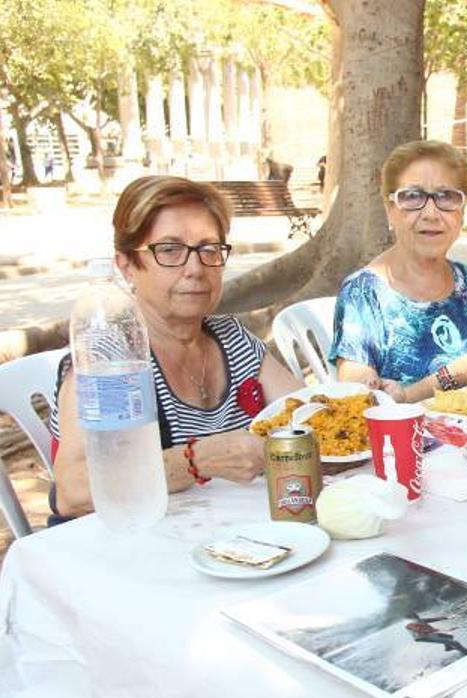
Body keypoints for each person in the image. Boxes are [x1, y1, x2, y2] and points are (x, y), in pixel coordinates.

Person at [49, 176, 304, 518]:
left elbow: (311, 414)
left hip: (235, 544)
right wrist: (197, 460)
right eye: (170, 250)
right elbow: (74, 490)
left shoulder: (233, 340)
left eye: (209, 249)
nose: (196, 269)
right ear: (126, 265)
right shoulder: (112, 361)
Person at [330, 140, 467, 400]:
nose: (431, 213)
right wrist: (454, 375)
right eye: (412, 196)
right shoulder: (363, 295)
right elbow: (358, 405)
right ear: (389, 210)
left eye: (446, 197)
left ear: (462, 213)